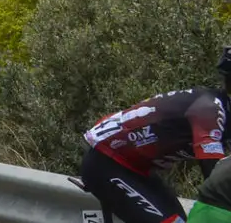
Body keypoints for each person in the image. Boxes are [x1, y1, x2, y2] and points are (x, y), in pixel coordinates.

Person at [78, 46, 231, 223]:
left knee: (182, 220)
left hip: (136, 169)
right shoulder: (210, 109)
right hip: (106, 163)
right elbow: (214, 176)